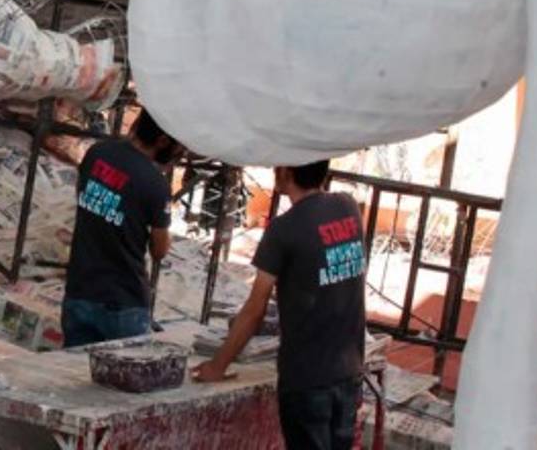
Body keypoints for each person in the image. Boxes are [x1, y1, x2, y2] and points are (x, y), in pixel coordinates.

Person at [192, 160, 366, 450]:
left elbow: (255, 308)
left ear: (285, 172)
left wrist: (217, 365)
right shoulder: (348, 207)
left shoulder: (284, 230)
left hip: (308, 377)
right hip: (348, 369)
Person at [61, 108, 180, 348]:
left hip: (79, 291)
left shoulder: (96, 153)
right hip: (124, 300)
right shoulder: (155, 184)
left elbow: (84, 199)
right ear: (163, 141)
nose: (179, 153)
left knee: (74, 376)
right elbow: (160, 250)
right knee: (128, 374)